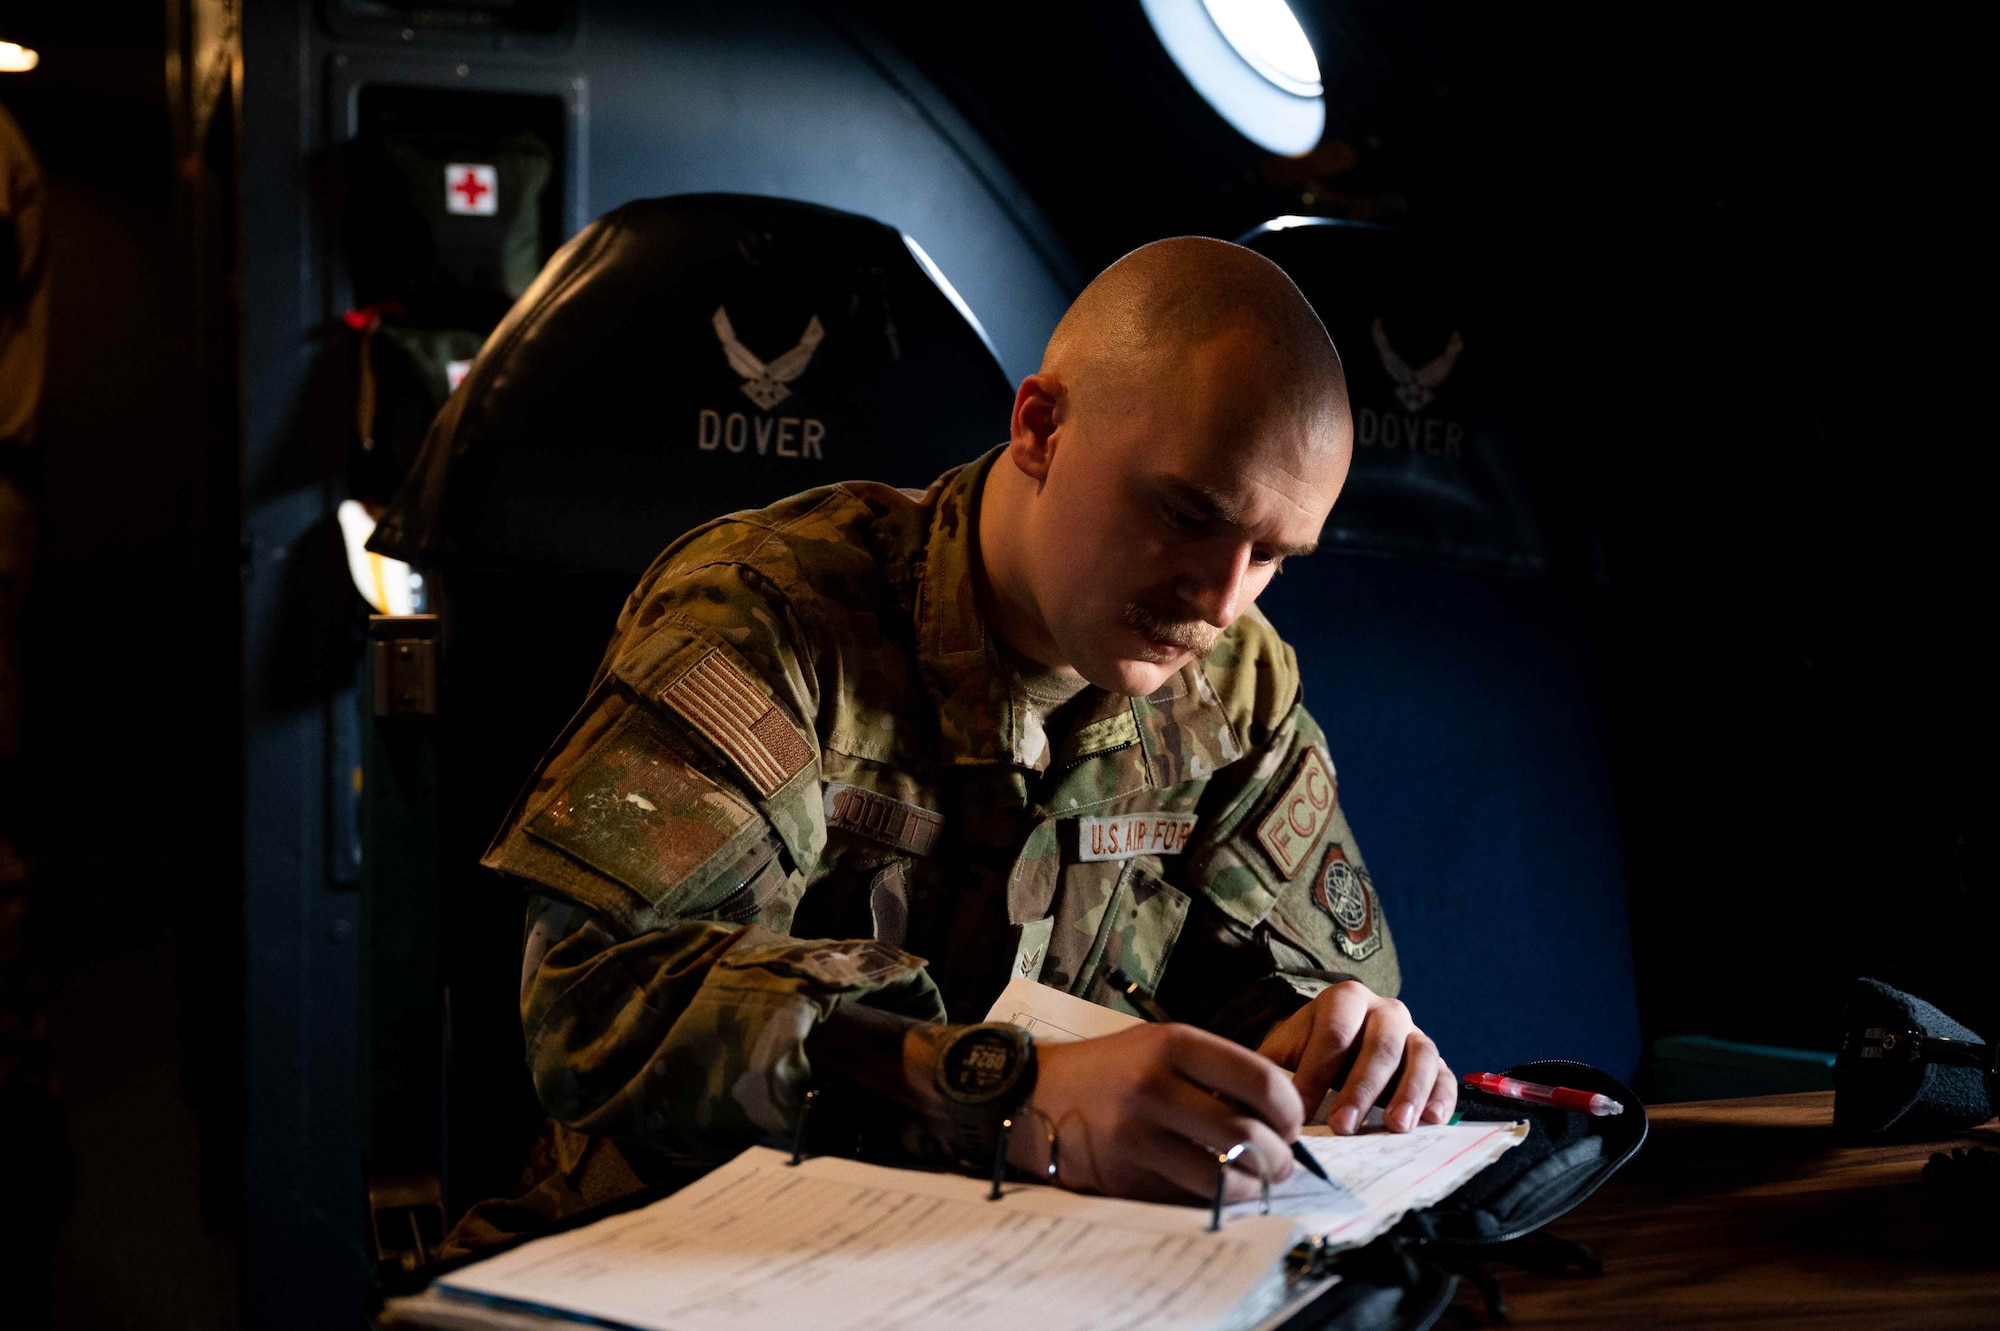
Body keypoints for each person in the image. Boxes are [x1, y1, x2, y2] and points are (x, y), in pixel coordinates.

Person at [470, 236, 1454, 1234]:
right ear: (1039, 426)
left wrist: (1321, 1045)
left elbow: (1281, 990)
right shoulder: (774, 617)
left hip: (1053, 1260)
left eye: (1272, 555)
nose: (1216, 597)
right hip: (694, 1248)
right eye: (1182, 512)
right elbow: (591, 1008)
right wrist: (1000, 1090)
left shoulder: (1237, 686)